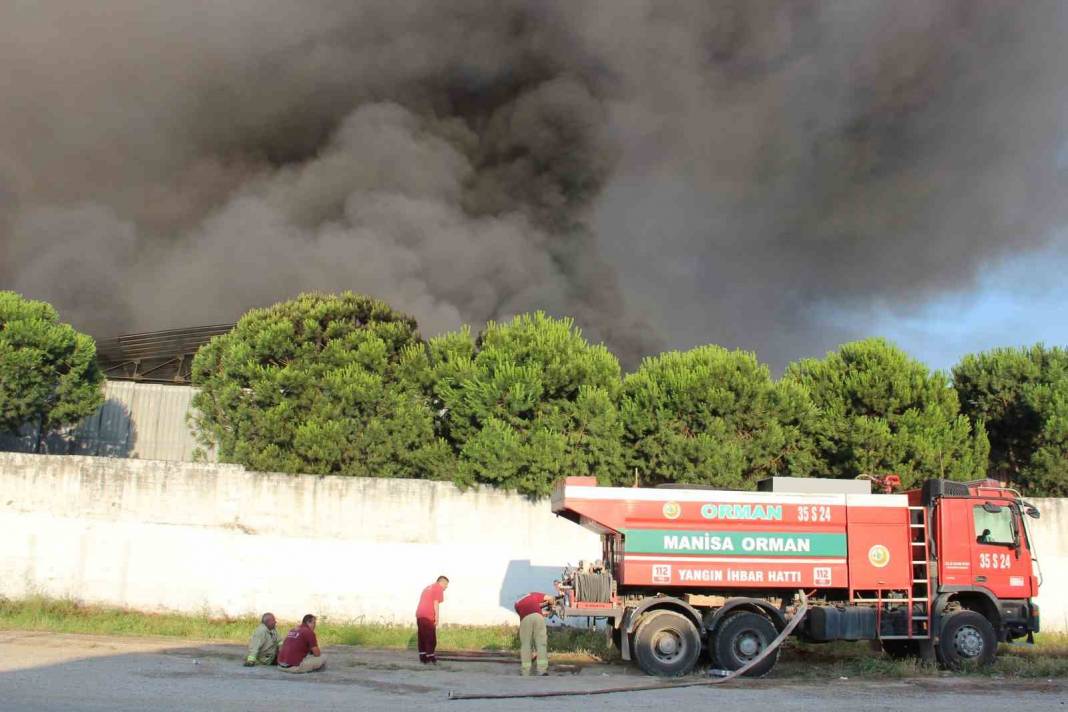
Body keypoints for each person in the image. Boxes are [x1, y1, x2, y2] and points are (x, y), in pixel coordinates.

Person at [514, 592, 554, 676]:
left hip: (525, 619)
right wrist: (550, 609)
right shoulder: (533, 594)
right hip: (538, 616)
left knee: (526, 645)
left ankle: (525, 672)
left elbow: (526, 613)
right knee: (541, 644)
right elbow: (550, 598)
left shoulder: (516, 603)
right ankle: (542, 671)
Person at [415, 575, 449, 664]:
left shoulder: (428, 587)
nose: (446, 587)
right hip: (428, 615)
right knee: (431, 638)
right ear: (442, 582)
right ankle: (431, 657)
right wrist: (437, 617)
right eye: (446, 585)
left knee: (422, 637)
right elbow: (436, 603)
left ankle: (423, 657)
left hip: (419, 614)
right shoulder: (438, 588)